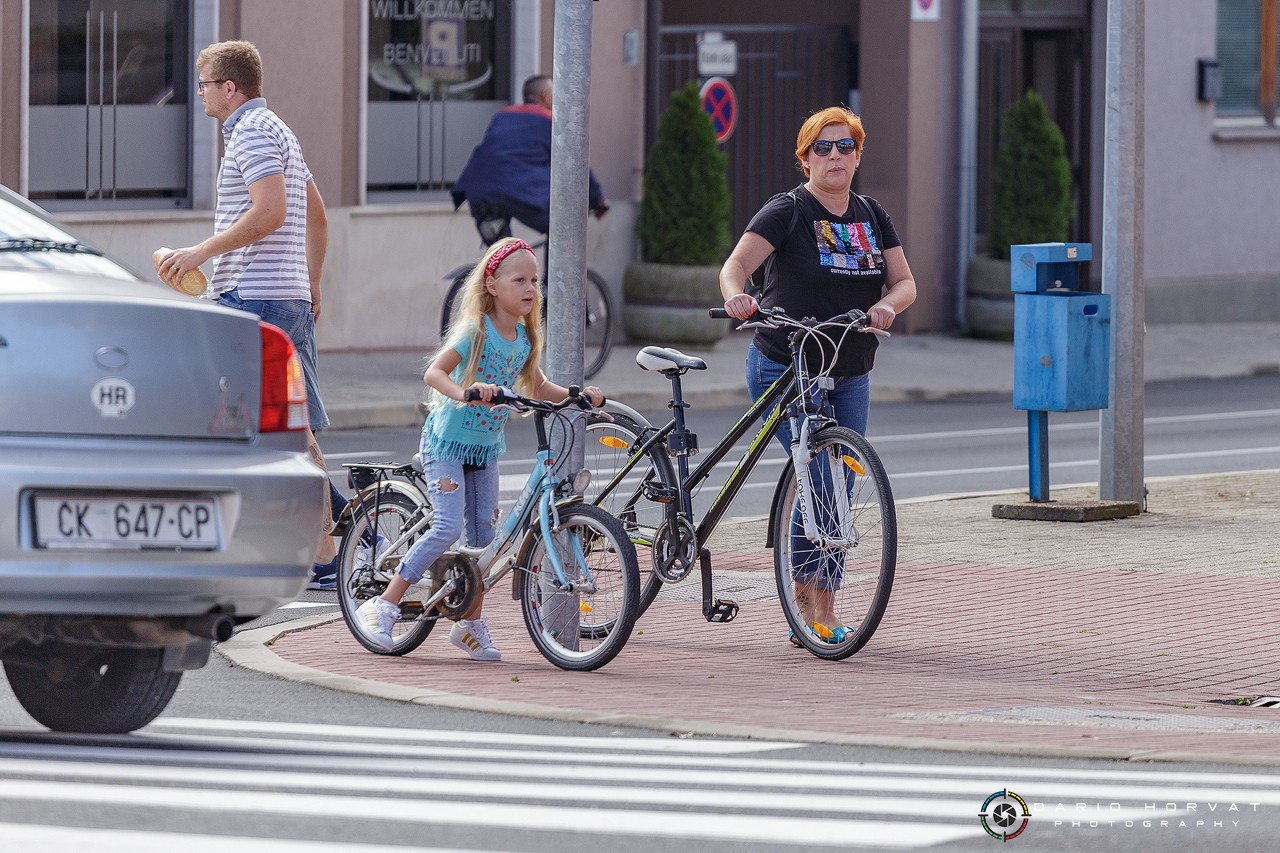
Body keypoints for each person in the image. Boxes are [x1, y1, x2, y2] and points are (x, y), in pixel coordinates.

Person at [718, 106, 917, 645]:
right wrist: (737, 296)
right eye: (822, 148)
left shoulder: (872, 214)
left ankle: (804, 609)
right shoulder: (787, 211)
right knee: (824, 480)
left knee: (837, 482)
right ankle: (818, 616)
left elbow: (904, 283)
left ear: (858, 155)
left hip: (850, 369)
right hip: (787, 364)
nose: (835, 156)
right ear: (804, 158)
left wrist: (888, 308)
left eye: (845, 146)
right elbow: (735, 267)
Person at [353, 237, 605, 659]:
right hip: (447, 443)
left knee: (486, 539)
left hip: (484, 449)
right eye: (519, 279)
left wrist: (577, 396)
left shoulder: (524, 337)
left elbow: (538, 387)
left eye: (535, 281)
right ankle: (385, 604)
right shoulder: (477, 331)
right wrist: (466, 392)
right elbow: (434, 374)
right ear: (492, 285)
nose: (530, 288)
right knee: (449, 527)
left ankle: (469, 625)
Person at [157, 40, 347, 590]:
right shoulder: (278, 131)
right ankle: (337, 535)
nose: (200, 92)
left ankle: (329, 551)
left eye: (205, 83)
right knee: (275, 427)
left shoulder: (255, 134)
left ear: (230, 88)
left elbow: (270, 214)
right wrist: (309, 282)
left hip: (253, 300)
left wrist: (198, 254)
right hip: (277, 297)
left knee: (254, 424)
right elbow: (317, 217)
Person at [450, 74, 608, 243]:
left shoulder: (502, 116)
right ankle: (555, 271)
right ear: (546, 96)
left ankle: (501, 267)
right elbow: (577, 165)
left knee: (502, 256)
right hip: (517, 190)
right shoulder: (551, 123)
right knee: (564, 229)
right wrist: (598, 200)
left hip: (478, 191)